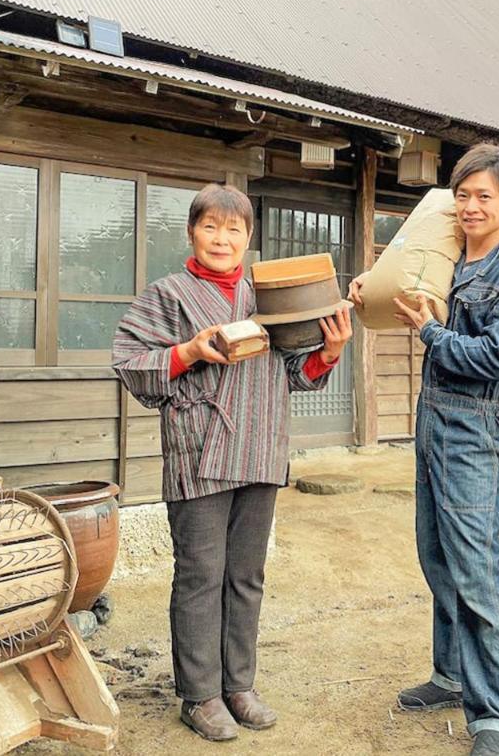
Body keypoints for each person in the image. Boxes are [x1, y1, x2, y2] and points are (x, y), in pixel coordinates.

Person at [112, 183, 352, 743]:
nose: (222, 239)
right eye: (211, 227)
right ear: (192, 233)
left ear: (249, 237)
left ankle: (238, 685)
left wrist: (328, 354)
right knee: (200, 576)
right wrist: (190, 351)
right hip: (200, 451)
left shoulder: (266, 296)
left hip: (261, 448)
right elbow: (129, 362)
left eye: (234, 229)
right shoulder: (167, 295)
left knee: (246, 576)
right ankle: (199, 695)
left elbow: (290, 373)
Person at [349, 144, 499, 756]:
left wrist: (430, 331)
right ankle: (451, 674)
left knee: (476, 566)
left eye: (485, 196)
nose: (471, 206)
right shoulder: (452, 258)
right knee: (436, 555)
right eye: (463, 195)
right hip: (433, 422)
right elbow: (405, 292)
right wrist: (369, 290)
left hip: (476, 431)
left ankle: (498, 716)